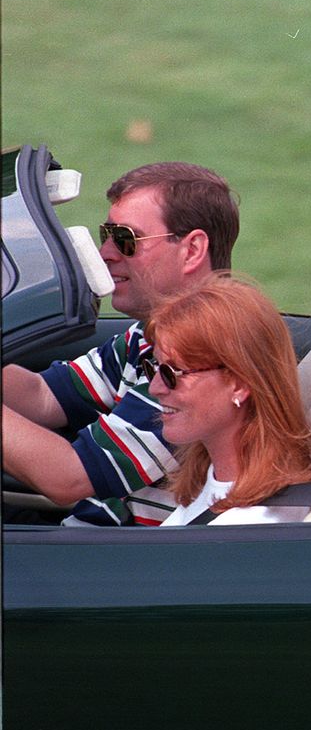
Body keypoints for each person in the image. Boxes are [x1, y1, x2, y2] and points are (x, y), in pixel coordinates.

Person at [2, 162, 239, 525]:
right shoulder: (148, 335)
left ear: (191, 249)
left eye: (126, 239)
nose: (106, 254)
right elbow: (41, 395)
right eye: (106, 235)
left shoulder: (202, 359)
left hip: (107, 561)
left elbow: (69, 478)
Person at [144, 274, 311, 525]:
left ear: (239, 383)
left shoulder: (249, 525)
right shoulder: (215, 481)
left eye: (172, 373)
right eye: (154, 368)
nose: (155, 388)